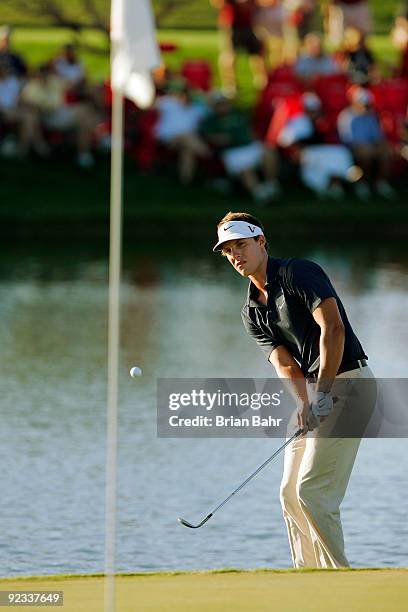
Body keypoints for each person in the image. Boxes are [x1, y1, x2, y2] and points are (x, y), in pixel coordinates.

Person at [212, 210, 376, 568]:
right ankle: (308, 581)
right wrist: (304, 402)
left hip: (348, 385)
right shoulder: (251, 311)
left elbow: (332, 329)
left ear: (261, 241)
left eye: (241, 245)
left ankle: (339, 581)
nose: (236, 255)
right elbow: (284, 364)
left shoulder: (298, 272)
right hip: (317, 392)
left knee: (313, 492)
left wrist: (323, 393)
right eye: (228, 251)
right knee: (289, 493)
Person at [277, 92, 360, 198]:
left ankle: (335, 185)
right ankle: (325, 186)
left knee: (340, 153)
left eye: (315, 109)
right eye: (310, 109)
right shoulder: (299, 122)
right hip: (305, 153)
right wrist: (295, 150)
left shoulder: (322, 121)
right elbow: (285, 141)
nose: (313, 112)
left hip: (318, 151)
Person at [200, 93, 280, 202]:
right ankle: (260, 195)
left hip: (250, 146)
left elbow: (249, 132)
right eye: (219, 105)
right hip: (232, 152)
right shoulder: (210, 121)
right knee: (244, 169)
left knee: (269, 152)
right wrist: (234, 137)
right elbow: (216, 139)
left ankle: (271, 186)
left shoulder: (238, 114)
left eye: (225, 103)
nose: (223, 107)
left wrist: (233, 137)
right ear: (214, 107)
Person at [20, 63, 98, 167]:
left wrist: (84, 79)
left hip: (60, 113)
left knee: (84, 111)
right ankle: (84, 152)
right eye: (42, 72)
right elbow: (26, 103)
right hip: (46, 118)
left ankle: (84, 152)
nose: (44, 75)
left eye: (46, 72)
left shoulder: (54, 81)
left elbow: (72, 85)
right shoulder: (31, 87)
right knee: (83, 116)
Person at [337, 86, 396, 199]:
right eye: (363, 103)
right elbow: (347, 140)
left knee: (385, 150)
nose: (366, 106)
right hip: (351, 149)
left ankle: (380, 183)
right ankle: (362, 184)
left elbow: (377, 137)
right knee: (366, 152)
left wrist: (380, 146)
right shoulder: (346, 116)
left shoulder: (371, 116)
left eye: (367, 104)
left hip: (369, 147)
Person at [154, 81, 210, 184]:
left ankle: (185, 181)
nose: (184, 97)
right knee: (185, 136)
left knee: (187, 150)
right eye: (182, 94)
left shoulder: (197, 109)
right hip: (167, 140)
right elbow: (149, 105)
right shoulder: (168, 103)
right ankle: (208, 156)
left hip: (187, 140)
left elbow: (211, 110)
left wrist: (201, 96)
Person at [210, 0, 267, 96]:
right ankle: (230, 85)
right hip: (230, 25)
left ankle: (261, 83)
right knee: (229, 55)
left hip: (250, 24)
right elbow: (217, 3)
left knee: (257, 55)